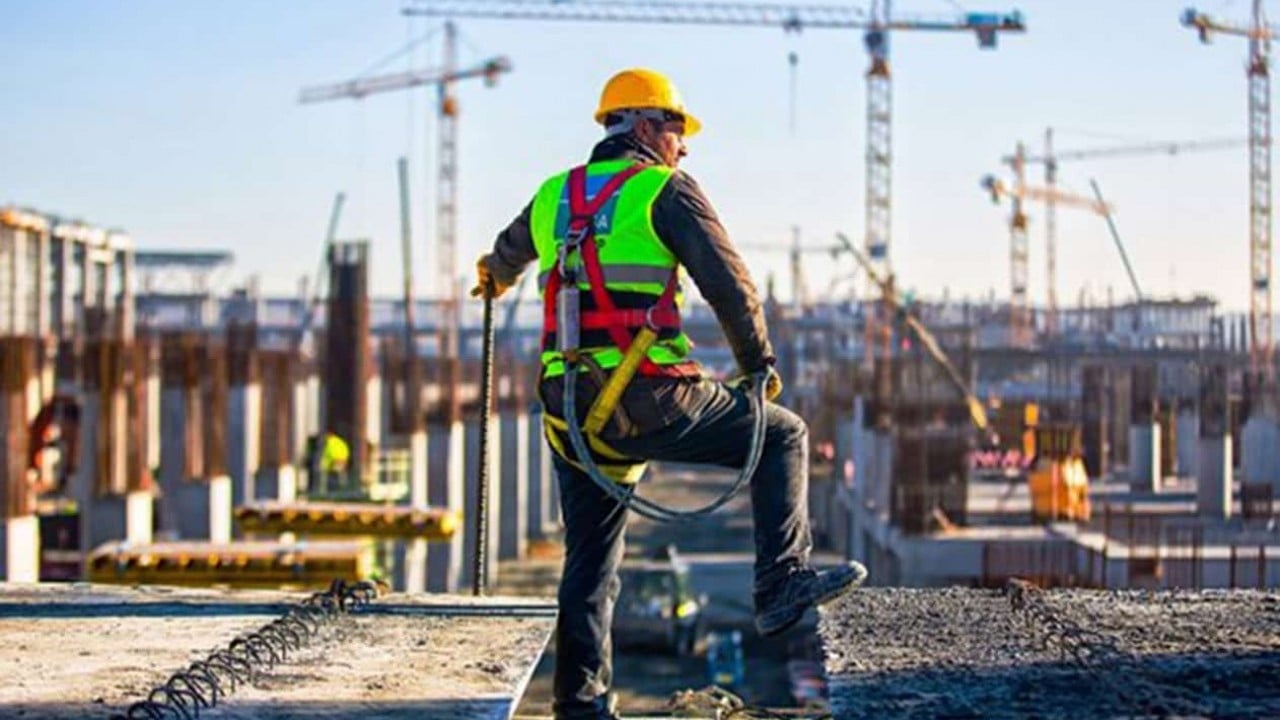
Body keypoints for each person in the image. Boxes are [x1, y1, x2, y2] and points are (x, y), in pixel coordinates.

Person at [471, 68, 867, 720]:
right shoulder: (666, 189)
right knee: (784, 433)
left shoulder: (553, 195)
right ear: (647, 125)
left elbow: (508, 254)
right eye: (679, 129)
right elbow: (733, 287)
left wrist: (493, 276)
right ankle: (780, 583)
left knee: (591, 561)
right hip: (650, 397)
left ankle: (579, 705)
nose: (685, 144)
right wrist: (757, 365)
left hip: (570, 416)